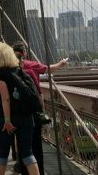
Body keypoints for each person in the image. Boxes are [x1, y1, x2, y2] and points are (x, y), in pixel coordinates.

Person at [13, 41, 69, 175]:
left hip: (18, 110)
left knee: (21, 141)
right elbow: (50, 69)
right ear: (25, 53)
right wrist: (61, 63)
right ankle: (39, 172)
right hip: (35, 109)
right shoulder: (32, 65)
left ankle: (23, 168)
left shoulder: (9, 68)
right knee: (36, 144)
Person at [0, 42, 40, 175]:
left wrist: (7, 120)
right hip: (26, 117)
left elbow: (5, 98)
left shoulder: (0, 73)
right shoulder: (21, 71)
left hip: (7, 119)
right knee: (28, 154)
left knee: (2, 153)